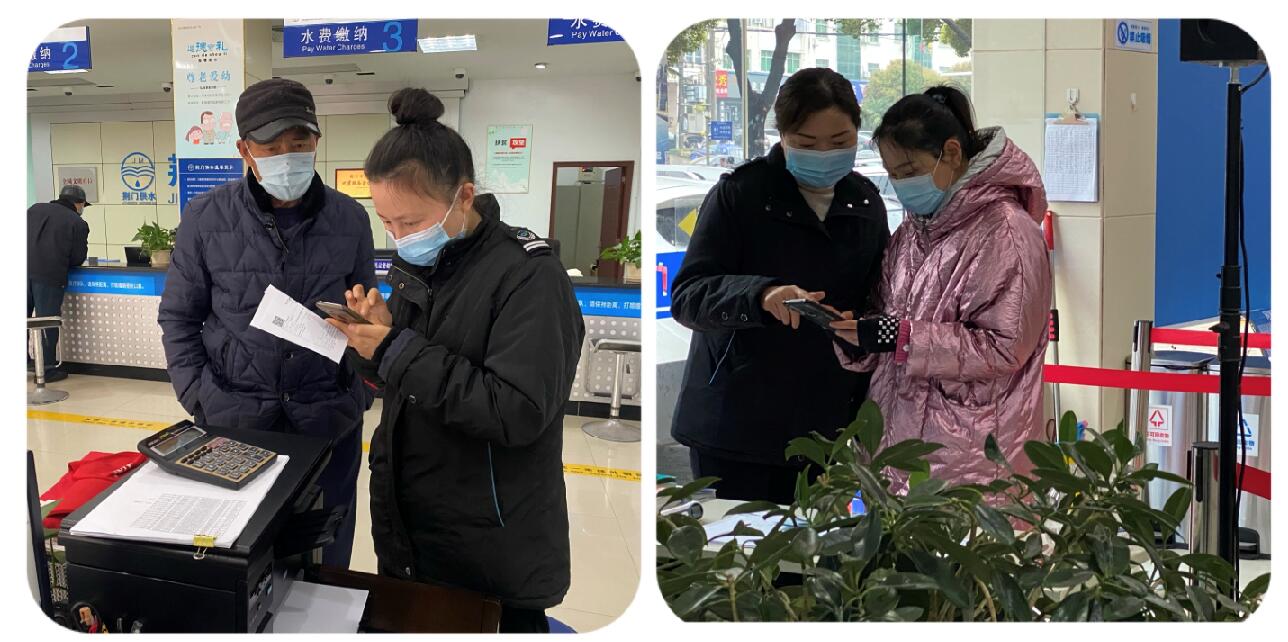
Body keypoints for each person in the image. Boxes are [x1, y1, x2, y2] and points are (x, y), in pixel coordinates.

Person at [326, 88, 584, 634]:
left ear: (464, 196)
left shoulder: (528, 277)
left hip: (489, 545)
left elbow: (517, 410)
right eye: (387, 222)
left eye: (410, 222)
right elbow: (410, 379)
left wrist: (393, 348)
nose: (399, 238)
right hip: (416, 532)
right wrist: (373, 341)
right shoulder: (424, 265)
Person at [157, 78, 376, 567]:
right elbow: (178, 316)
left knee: (326, 551)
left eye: (298, 144)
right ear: (244, 150)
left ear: (316, 141)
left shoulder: (350, 218)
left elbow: (367, 314)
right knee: (243, 555)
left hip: (329, 419)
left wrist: (361, 392)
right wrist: (198, 397)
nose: (287, 157)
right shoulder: (205, 216)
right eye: (272, 147)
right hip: (234, 418)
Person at [669, 68, 890, 504]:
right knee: (739, 542)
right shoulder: (740, 195)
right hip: (736, 422)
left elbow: (879, 295)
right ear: (783, 136)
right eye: (807, 143)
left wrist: (862, 322)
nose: (824, 154)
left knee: (816, 546)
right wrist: (761, 295)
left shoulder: (866, 201)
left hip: (826, 426)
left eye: (840, 142)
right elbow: (688, 295)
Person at [829, 86, 1052, 489]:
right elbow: (887, 316)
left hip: (972, 463)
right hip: (897, 453)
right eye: (893, 175)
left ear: (951, 153)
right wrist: (860, 337)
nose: (901, 185)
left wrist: (902, 338)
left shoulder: (1008, 232)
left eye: (909, 171)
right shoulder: (912, 232)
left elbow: (1006, 347)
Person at [27, 184, 91, 383]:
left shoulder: (34, 209)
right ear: (79, 204)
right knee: (47, 321)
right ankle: (46, 369)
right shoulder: (77, 222)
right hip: (49, 276)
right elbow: (77, 258)